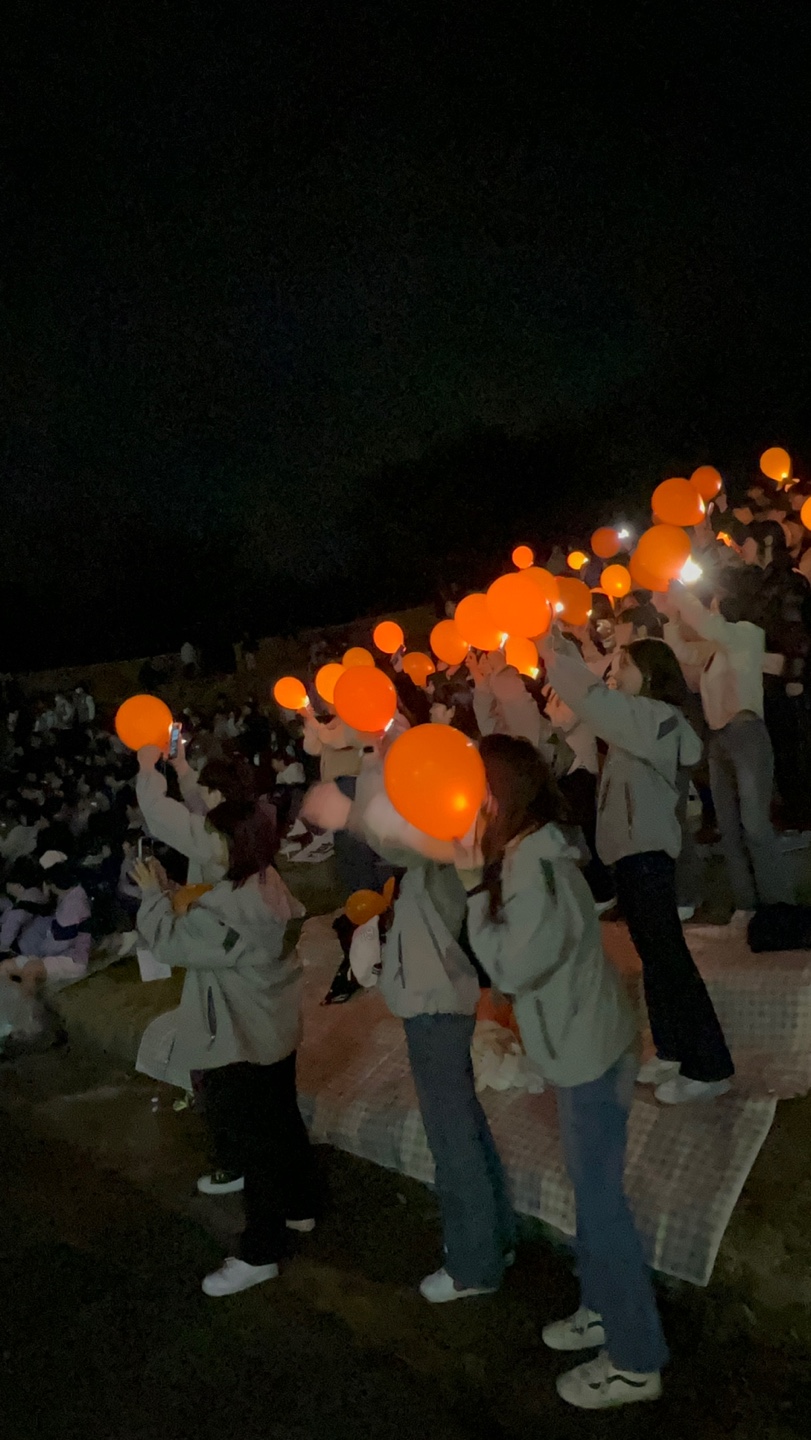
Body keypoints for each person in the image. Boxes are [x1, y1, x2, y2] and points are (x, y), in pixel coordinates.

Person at [456, 734, 666, 1410]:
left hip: (587, 1054)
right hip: (584, 1041)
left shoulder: (534, 872)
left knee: (602, 1206)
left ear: (496, 799)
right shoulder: (532, 853)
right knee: (591, 1194)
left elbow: (513, 967)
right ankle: (602, 1307)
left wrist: (470, 890)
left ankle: (634, 1360)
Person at [302, 769, 515, 1302]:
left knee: (452, 1138)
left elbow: (394, 839)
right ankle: (494, 1239)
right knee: (464, 1126)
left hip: (436, 1008)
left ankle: (473, 1263)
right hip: (440, 1001)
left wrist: (352, 812)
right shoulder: (455, 848)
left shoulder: (446, 850)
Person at [132, 795, 318, 1297]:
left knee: (255, 1145)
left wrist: (152, 897)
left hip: (240, 1036)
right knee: (281, 1119)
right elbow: (206, 910)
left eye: (215, 838)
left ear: (238, 845)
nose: (206, 845)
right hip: (274, 1028)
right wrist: (171, 890)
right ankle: (301, 1206)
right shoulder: (264, 882)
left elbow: (170, 942)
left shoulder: (233, 913)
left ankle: (261, 1252)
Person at [542, 627, 734, 1104]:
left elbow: (594, 702)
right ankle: (672, 1048)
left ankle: (710, 1066)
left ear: (649, 674)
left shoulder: (657, 719)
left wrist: (555, 656)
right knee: (654, 958)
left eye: (624, 664)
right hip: (632, 856)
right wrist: (560, 650)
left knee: (669, 959)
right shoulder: (639, 720)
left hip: (647, 856)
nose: (614, 670)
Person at [666, 579, 794, 915]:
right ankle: (746, 907)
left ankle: (780, 907)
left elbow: (709, 626)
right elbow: (683, 652)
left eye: (715, 601)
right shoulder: (716, 647)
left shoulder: (747, 634)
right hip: (719, 739)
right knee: (729, 828)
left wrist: (680, 593)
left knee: (755, 826)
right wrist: (672, 619)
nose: (711, 607)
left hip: (746, 733)